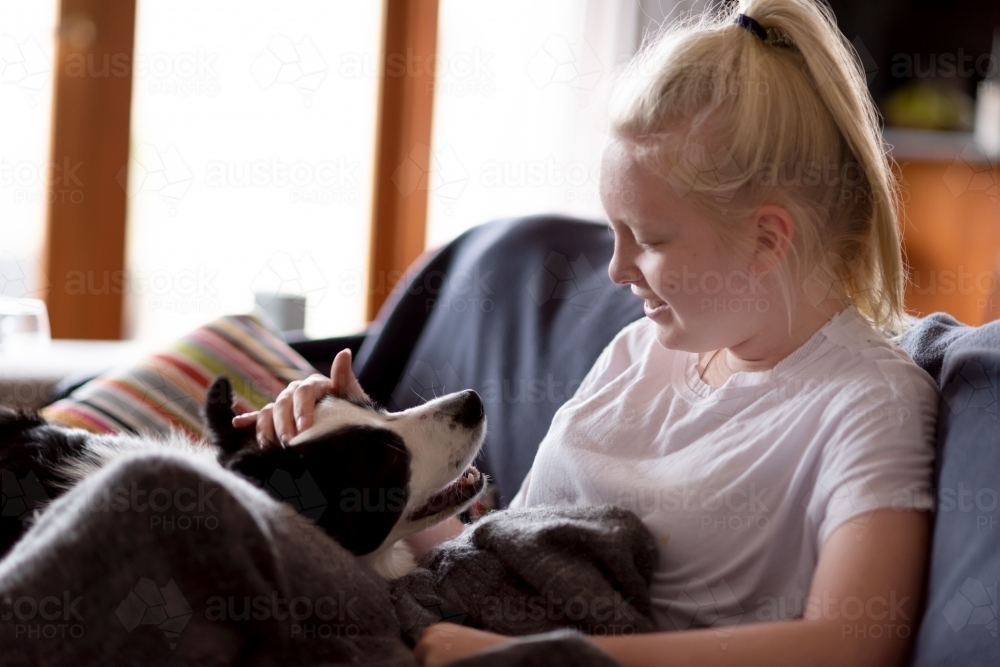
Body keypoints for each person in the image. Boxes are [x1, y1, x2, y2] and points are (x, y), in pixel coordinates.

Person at [235, 1, 939, 665]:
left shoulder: (867, 400)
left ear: (767, 238)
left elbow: (853, 643)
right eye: (614, 230)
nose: (616, 268)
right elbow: (498, 566)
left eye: (649, 238)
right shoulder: (642, 353)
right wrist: (367, 449)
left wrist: (532, 659)